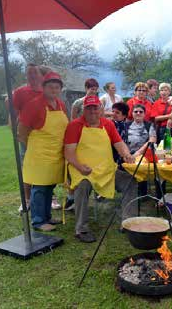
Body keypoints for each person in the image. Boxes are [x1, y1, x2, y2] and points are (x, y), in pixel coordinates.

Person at [64, 95, 137, 243]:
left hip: (106, 170)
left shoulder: (108, 124)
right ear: (83, 110)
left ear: (101, 109)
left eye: (95, 108)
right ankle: (81, 229)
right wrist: (80, 167)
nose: (92, 111)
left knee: (130, 181)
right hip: (83, 171)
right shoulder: (74, 125)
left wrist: (126, 154)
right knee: (82, 186)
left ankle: (128, 222)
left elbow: (119, 143)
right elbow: (68, 153)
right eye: (89, 108)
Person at [18, 72, 68, 232]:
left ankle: (46, 216)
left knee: (49, 186)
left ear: (60, 89)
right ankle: (38, 221)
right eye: (50, 86)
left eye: (57, 87)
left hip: (55, 153)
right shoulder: (34, 105)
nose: (54, 90)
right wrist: (31, 145)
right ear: (43, 87)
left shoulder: (60, 104)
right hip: (39, 154)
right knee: (39, 187)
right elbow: (22, 130)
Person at [7, 63, 43, 212]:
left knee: (46, 166)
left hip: (44, 136)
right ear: (26, 75)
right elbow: (13, 113)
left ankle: (51, 196)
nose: (32, 75)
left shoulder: (46, 91)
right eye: (29, 73)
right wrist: (13, 130)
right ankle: (26, 199)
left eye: (35, 72)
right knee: (27, 166)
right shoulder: (20, 92)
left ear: (40, 75)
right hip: (26, 135)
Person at [111, 102, 130, 168]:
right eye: (113, 111)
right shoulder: (110, 124)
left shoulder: (125, 125)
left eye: (117, 112)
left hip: (121, 155)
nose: (114, 114)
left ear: (124, 116)